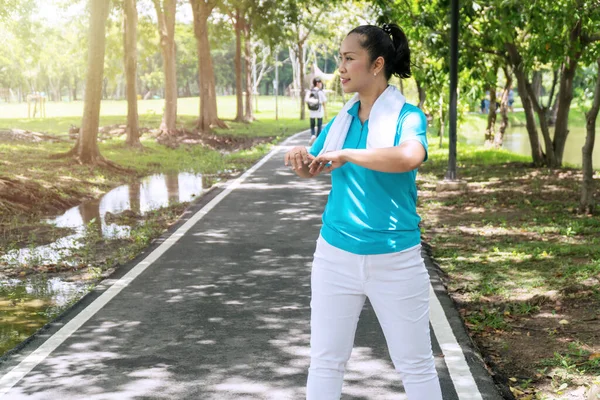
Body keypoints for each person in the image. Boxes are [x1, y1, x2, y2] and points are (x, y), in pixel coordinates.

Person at [284, 23, 443, 400]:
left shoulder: (408, 116)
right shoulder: (342, 120)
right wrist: (302, 162)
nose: (340, 67)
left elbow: (408, 157)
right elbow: (317, 165)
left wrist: (349, 154)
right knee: (325, 362)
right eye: (340, 59)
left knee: (416, 366)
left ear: (377, 65)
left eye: (349, 58)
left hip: (396, 259)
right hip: (335, 256)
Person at [305, 77, 327, 145]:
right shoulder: (320, 92)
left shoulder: (310, 91)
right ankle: (317, 138)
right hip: (319, 110)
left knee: (312, 124)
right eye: (320, 83)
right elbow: (324, 102)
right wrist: (326, 112)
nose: (321, 84)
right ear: (317, 83)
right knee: (319, 124)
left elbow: (306, 100)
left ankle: (313, 135)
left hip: (312, 110)